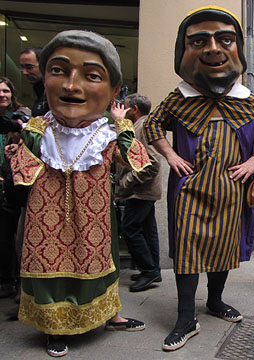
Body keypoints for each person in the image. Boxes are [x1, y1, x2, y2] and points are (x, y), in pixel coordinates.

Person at [144, 6, 254, 351]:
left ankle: (215, 301)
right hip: (189, 190)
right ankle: (185, 317)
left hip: (231, 190)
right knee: (189, 251)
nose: (213, 49)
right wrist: (171, 155)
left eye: (225, 39)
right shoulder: (178, 99)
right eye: (199, 41)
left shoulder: (249, 101)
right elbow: (152, 125)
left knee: (224, 249)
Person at [9, 30, 150, 357]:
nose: (72, 86)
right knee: (49, 265)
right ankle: (54, 327)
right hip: (47, 217)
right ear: (44, 80)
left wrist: (122, 124)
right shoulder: (37, 129)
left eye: (91, 76)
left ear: (114, 91)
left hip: (95, 219)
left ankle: (111, 315)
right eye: (58, 71)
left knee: (101, 263)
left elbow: (137, 160)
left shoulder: (106, 133)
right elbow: (21, 171)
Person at [114, 93, 163, 292]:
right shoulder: (143, 125)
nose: (121, 111)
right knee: (147, 229)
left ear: (134, 109)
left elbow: (152, 163)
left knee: (130, 228)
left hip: (140, 190)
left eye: (124, 107)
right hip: (142, 190)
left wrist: (127, 182)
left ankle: (149, 270)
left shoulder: (140, 127)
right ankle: (152, 270)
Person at [0, 77, 30, 300]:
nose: (2, 94)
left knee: (19, 235)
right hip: (8, 180)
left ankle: (19, 283)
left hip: (18, 184)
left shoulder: (21, 117)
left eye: (5, 90)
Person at [19, 47, 49, 117]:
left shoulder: (54, 93)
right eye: (22, 68)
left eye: (29, 67)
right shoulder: (40, 92)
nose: (24, 72)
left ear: (44, 65)